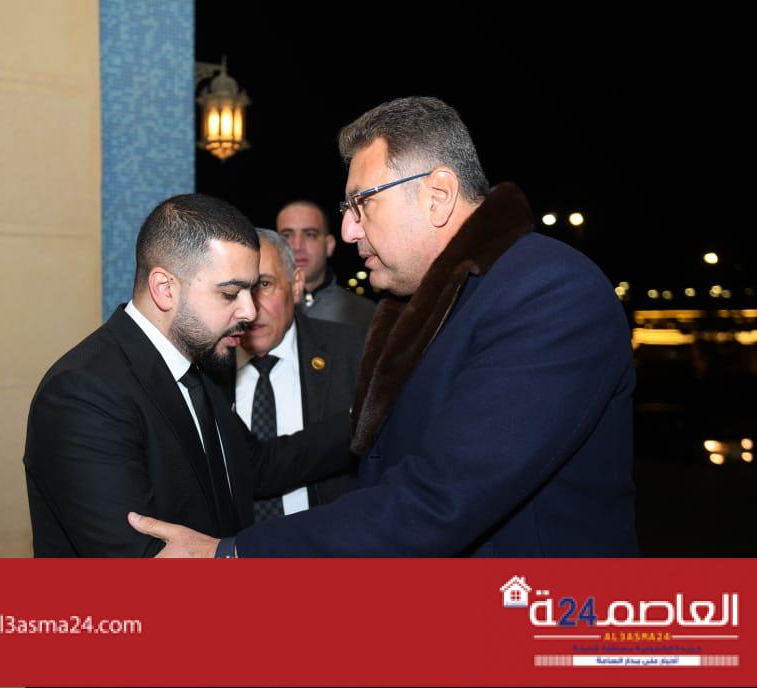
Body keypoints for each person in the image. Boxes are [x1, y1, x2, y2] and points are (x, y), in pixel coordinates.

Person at [129, 97, 638, 557]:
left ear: (437, 194)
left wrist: (231, 554)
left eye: (362, 203)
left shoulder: (549, 293)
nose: (348, 230)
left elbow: (438, 501)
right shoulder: (425, 305)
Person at [24, 194, 353, 557]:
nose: (249, 311)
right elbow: (141, 556)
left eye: (252, 289)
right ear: (165, 289)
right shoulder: (83, 395)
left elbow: (256, 466)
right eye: (230, 293)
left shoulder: (199, 370)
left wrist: (369, 415)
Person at [213, 229, 364, 522]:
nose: (249, 309)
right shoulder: (203, 371)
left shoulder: (353, 354)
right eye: (236, 290)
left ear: (295, 286)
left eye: (264, 285)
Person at [276, 200, 375, 330]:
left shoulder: (365, 314)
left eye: (310, 235)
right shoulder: (260, 309)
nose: (297, 246)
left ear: (329, 245)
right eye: (286, 235)